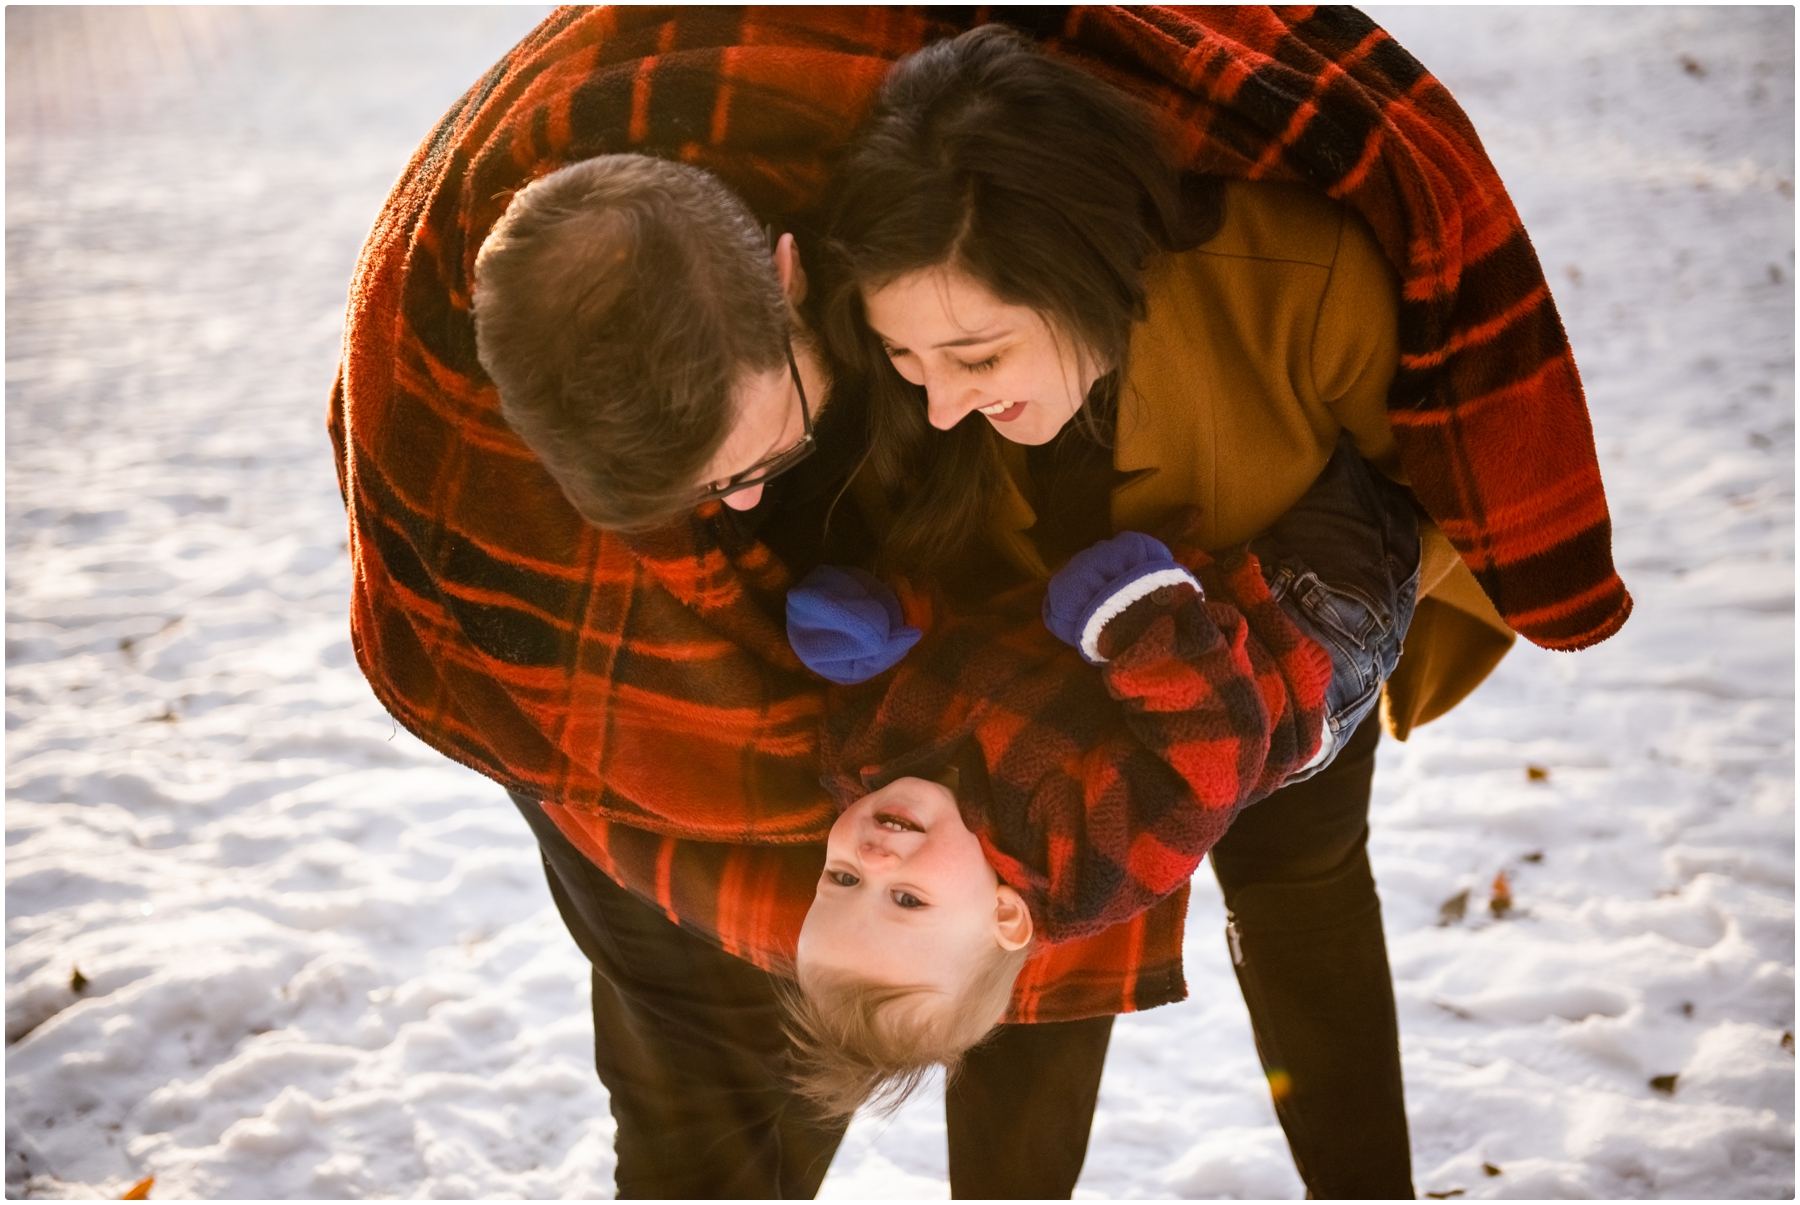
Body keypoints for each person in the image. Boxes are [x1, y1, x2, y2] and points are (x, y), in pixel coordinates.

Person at [332, 8, 1630, 1199]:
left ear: (795, 279)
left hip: (1262, 620)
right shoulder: (516, 435)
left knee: (1290, 874)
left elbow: (1405, 485)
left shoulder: (1201, 276)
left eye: (754, 463)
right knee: (852, 1010)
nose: (732, 509)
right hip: (1127, 646)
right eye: (911, 363)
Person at [785, 433, 1422, 1118]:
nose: (873, 856)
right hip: (1302, 637)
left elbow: (939, 650)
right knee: (1359, 462)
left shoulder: (861, 757)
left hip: (1151, 601)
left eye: (843, 879)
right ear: (1005, 914)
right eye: (906, 898)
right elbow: (1210, 755)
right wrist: (1136, 626)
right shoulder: (1085, 866)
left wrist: (873, 634)